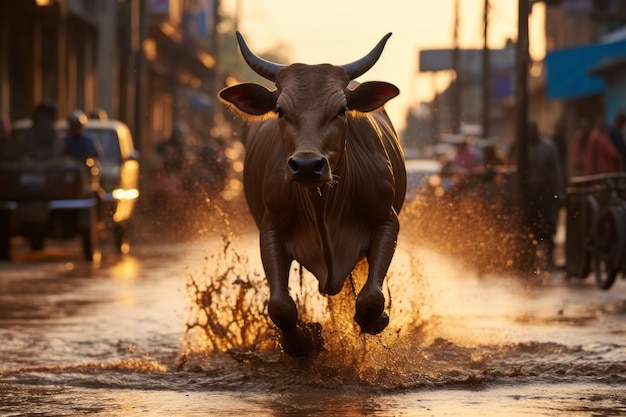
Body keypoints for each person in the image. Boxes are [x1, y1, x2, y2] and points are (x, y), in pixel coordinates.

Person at [525, 121, 564, 269]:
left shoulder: (548, 147)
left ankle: (550, 259)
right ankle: (530, 259)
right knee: (530, 226)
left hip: (546, 193)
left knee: (549, 225)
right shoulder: (522, 148)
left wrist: (559, 192)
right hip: (529, 194)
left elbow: (557, 171)